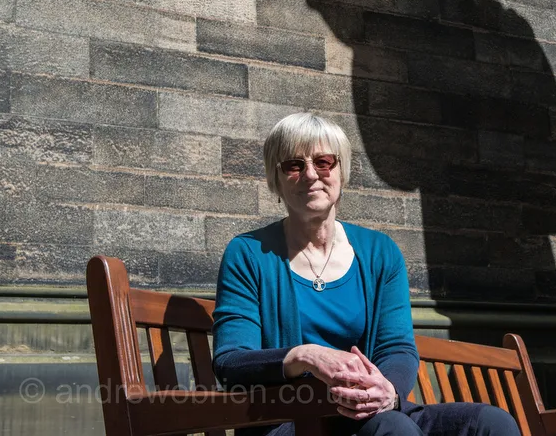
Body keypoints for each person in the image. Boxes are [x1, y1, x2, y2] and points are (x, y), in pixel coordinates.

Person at [213, 112, 520, 435]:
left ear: (341, 171)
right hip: (292, 418)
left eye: (323, 162)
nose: (310, 174)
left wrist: (387, 392)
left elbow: (397, 347)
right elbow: (231, 361)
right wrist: (306, 355)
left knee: (490, 423)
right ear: (276, 179)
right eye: (293, 165)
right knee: (393, 429)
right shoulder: (247, 254)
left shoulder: (380, 253)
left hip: (371, 412)